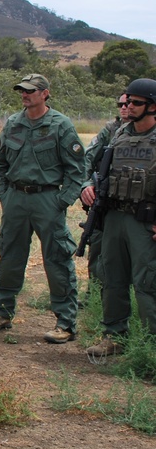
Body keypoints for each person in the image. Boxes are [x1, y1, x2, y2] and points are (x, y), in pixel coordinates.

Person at [0, 74, 85, 343]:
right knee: (10, 255)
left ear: (45, 94)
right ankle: (3, 312)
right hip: (15, 199)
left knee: (57, 259)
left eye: (30, 91)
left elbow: (77, 171)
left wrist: (61, 201)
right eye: (22, 91)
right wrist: (3, 194)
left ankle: (65, 322)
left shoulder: (60, 125)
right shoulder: (14, 123)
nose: (25, 95)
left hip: (47, 200)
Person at [82, 79, 156, 357]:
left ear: (152, 106)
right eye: (126, 102)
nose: (128, 107)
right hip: (113, 217)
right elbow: (99, 171)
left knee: (148, 283)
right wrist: (87, 187)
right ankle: (114, 335)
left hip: (144, 222)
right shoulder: (118, 135)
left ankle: (150, 345)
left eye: (135, 103)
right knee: (111, 277)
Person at [82, 92, 129, 293]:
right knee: (98, 249)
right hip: (106, 202)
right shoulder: (110, 130)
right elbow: (87, 160)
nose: (125, 108)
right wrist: (85, 185)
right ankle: (95, 295)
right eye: (121, 104)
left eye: (130, 103)